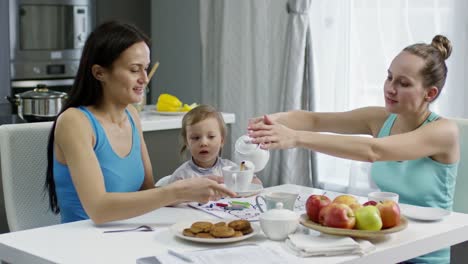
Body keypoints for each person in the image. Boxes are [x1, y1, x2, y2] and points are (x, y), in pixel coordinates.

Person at [248, 35, 458, 263]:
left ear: (430, 93)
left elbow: (373, 151)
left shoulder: (444, 131)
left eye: (403, 83)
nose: (390, 88)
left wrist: (296, 138)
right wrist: (271, 120)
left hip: (424, 256)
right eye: (389, 77)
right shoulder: (381, 119)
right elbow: (316, 120)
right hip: (383, 248)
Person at [45, 21, 235, 224]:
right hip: (83, 242)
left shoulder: (132, 117)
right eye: (135, 69)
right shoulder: (75, 122)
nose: (145, 78)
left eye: (146, 68)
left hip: (131, 233)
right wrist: (175, 192)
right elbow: (99, 210)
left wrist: (192, 190)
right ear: (99, 72)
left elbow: (147, 193)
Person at [168, 104, 262, 185]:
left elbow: (257, 184)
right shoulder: (181, 176)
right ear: (187, 142)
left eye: (211, 136)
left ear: (222, 140)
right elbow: (168, 200)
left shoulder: (230, 169)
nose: (203, 143)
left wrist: (246, 175)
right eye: (196, 138)